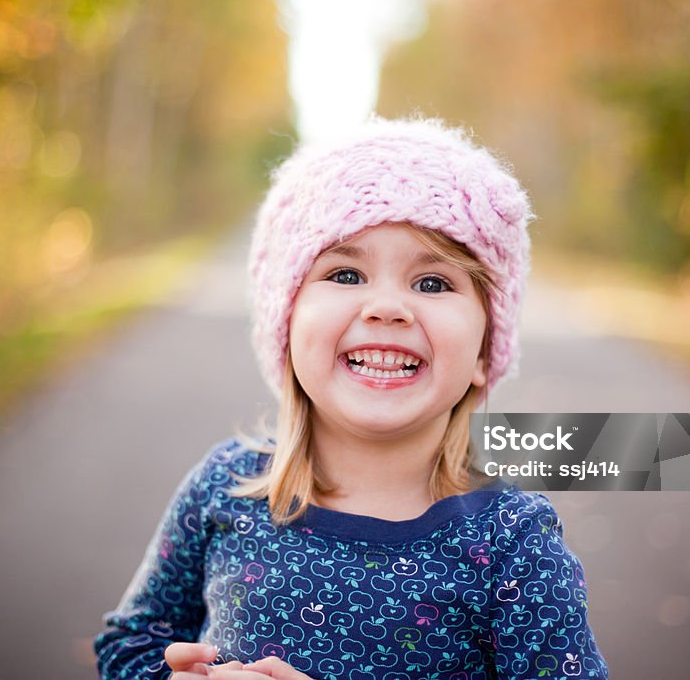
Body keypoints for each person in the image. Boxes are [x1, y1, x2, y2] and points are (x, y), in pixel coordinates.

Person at [94, 118, 609, 679]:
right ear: (286, 326)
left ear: (486, 348)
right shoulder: (224, 488)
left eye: (433, 283)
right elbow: (130, 643)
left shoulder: (510, 544)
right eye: (344, 274)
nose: (386, 307)